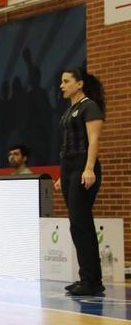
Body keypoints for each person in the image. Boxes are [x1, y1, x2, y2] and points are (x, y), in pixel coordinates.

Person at [59, 68, 106, 297]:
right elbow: (68, 142)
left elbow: (93, 141)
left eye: (66, 81)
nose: (62, 85)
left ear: (79, 84)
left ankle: (92, 281)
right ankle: (86, 277)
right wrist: (63, 175)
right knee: (76, 224)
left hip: (83, 165)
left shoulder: (90, 106)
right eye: (61, 82)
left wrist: (88, 168)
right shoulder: (70, 110)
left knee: (81, 222)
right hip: (68, 167)